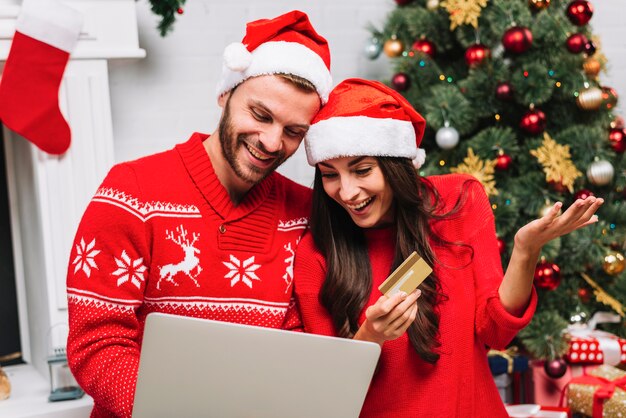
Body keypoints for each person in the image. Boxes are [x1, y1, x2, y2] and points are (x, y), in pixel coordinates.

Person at [66, 10, 331, 418]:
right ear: (225, 95)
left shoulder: (302, 213)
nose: (272, 141)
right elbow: (96, 342)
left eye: (293, 131)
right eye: (260, 115)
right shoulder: (131, 193)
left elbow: (298, 339)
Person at [293, 78, 603, 417]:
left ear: (396, 164)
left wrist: (526, 251)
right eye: (329, 175)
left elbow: (495, 331)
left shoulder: (457, 201)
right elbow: (329, 392)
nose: (348, 192)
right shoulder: (316, 254)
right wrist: (371, 336)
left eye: (362, 170)